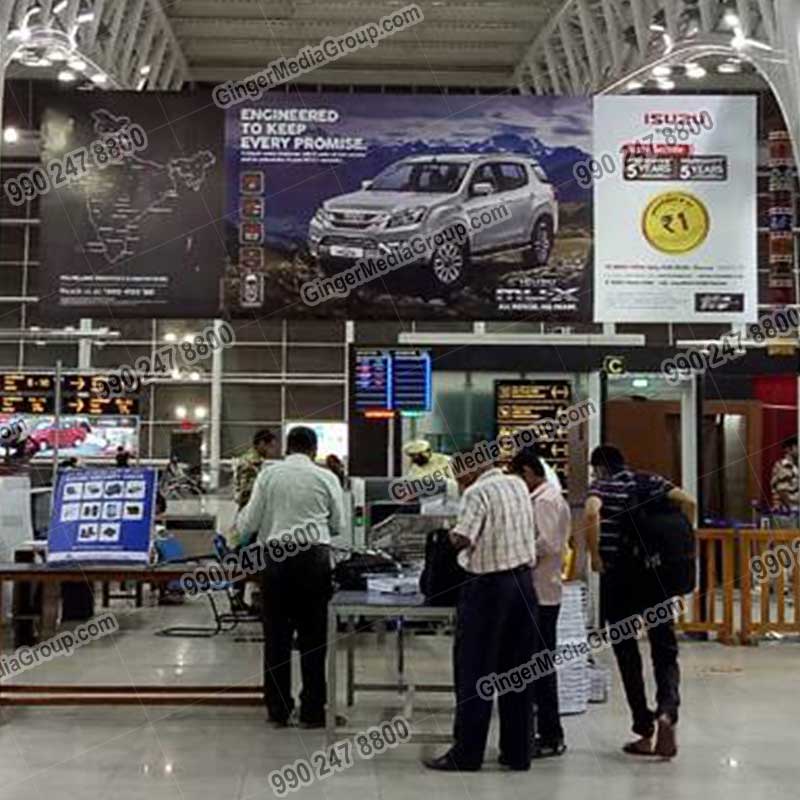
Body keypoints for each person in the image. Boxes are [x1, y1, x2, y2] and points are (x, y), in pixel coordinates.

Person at [424, 448, 538, 772]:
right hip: (523, 585)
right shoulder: (516, 483)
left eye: (456, 475)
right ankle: (518, 752)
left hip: (489, 588)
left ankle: (467, 754)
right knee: (517, 672)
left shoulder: (477, 493)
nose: (456, 482)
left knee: (474, 671)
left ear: (468, 471)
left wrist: (446, 537)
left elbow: (463, 538)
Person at [584, 445, 696, 759]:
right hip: (656, 577)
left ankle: (644, 728)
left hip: (620, 578)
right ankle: (667, 711)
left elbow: (591, 512)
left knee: (627, 653)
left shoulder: (602, 487)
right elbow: (689, 501)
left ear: (599, 467)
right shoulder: (650, 480)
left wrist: (595, 556)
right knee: (665, 649)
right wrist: (684, 541)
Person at [235, 425, 346, 728]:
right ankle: (313, 711)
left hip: (277, 561)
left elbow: (249, 522)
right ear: (314, 450)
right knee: (314, 639)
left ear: (287, 447)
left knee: (276, 638)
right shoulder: (326, 477)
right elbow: (338, 524)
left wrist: (244, 535)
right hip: (314, 561)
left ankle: (278, 709)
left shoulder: (269, 476)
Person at [510, 446, 571, 758]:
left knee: (540, 666)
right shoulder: (544, 497)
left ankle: (550, 734)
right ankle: (544, 731)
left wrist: (515, 554)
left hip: (542, 592)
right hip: (540, 589)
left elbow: (548, 543)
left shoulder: (545, 500)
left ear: (528, 473)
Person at [234, 428, 279, 509]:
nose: (273, 451)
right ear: (262, 443)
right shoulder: (252, 463)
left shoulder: (251, 458)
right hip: (249, 510)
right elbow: (247, 493)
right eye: (271, 447)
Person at [770, 435, 798, 526]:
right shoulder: (783, 466)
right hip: (786, 514)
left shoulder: (794, 466)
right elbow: (782, 491)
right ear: (789, 449)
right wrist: (792, 509)